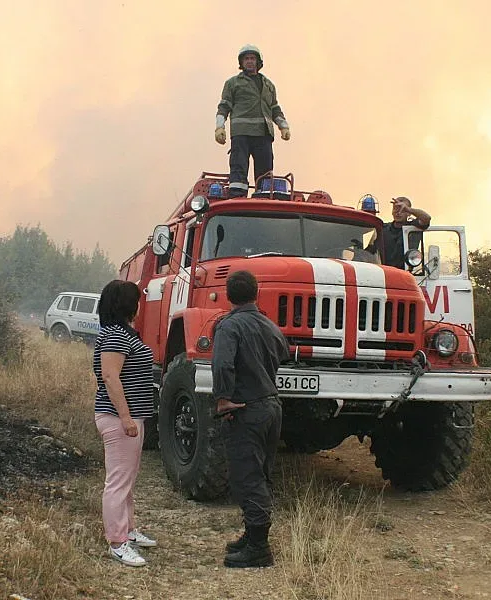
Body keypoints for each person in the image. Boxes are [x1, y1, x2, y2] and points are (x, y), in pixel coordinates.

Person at [211, 270, 290, 568]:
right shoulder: (269, 325)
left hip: (246, 407)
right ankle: (251, 535)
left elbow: (222, 365)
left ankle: (259, 548)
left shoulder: (228, 326)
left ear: (229, 295)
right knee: (262, 473)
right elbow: (283, 354)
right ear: (256, 294)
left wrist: (223, 399)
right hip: (271, 406)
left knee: (247, 476)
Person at [93, 280, 157, 567]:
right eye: (136, 300)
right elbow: (110, 377)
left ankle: (128, 531)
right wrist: (126, 418)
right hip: (119, 418)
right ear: (127, 305)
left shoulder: (120, 333)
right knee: (118, 482)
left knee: (127, 480)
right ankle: (117, 542)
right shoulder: (117, 336)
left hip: (131, 417)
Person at [215, 44, 291, 198]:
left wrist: (284, 126)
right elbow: (224, 106)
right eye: (246, 59)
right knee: (239, 166)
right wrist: (219, 127)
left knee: (265, 171)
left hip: (263, 134)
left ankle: (262, 195)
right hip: (241, 133)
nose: (249, 61)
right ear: (241, 63)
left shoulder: (269, 85)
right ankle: (237, 195)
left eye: (252, 58)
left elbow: (274, 108)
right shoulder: (233, 83)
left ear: (258, 61)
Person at [365, 196, 432, 269]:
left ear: (409, 213)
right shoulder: (382, 229)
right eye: (395, 209)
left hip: (405, 273)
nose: (398, 213)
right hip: (384, 272)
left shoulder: (414, 228)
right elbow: (369, 252)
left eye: (403, 210)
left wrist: (408, 209)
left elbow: (427, 218)